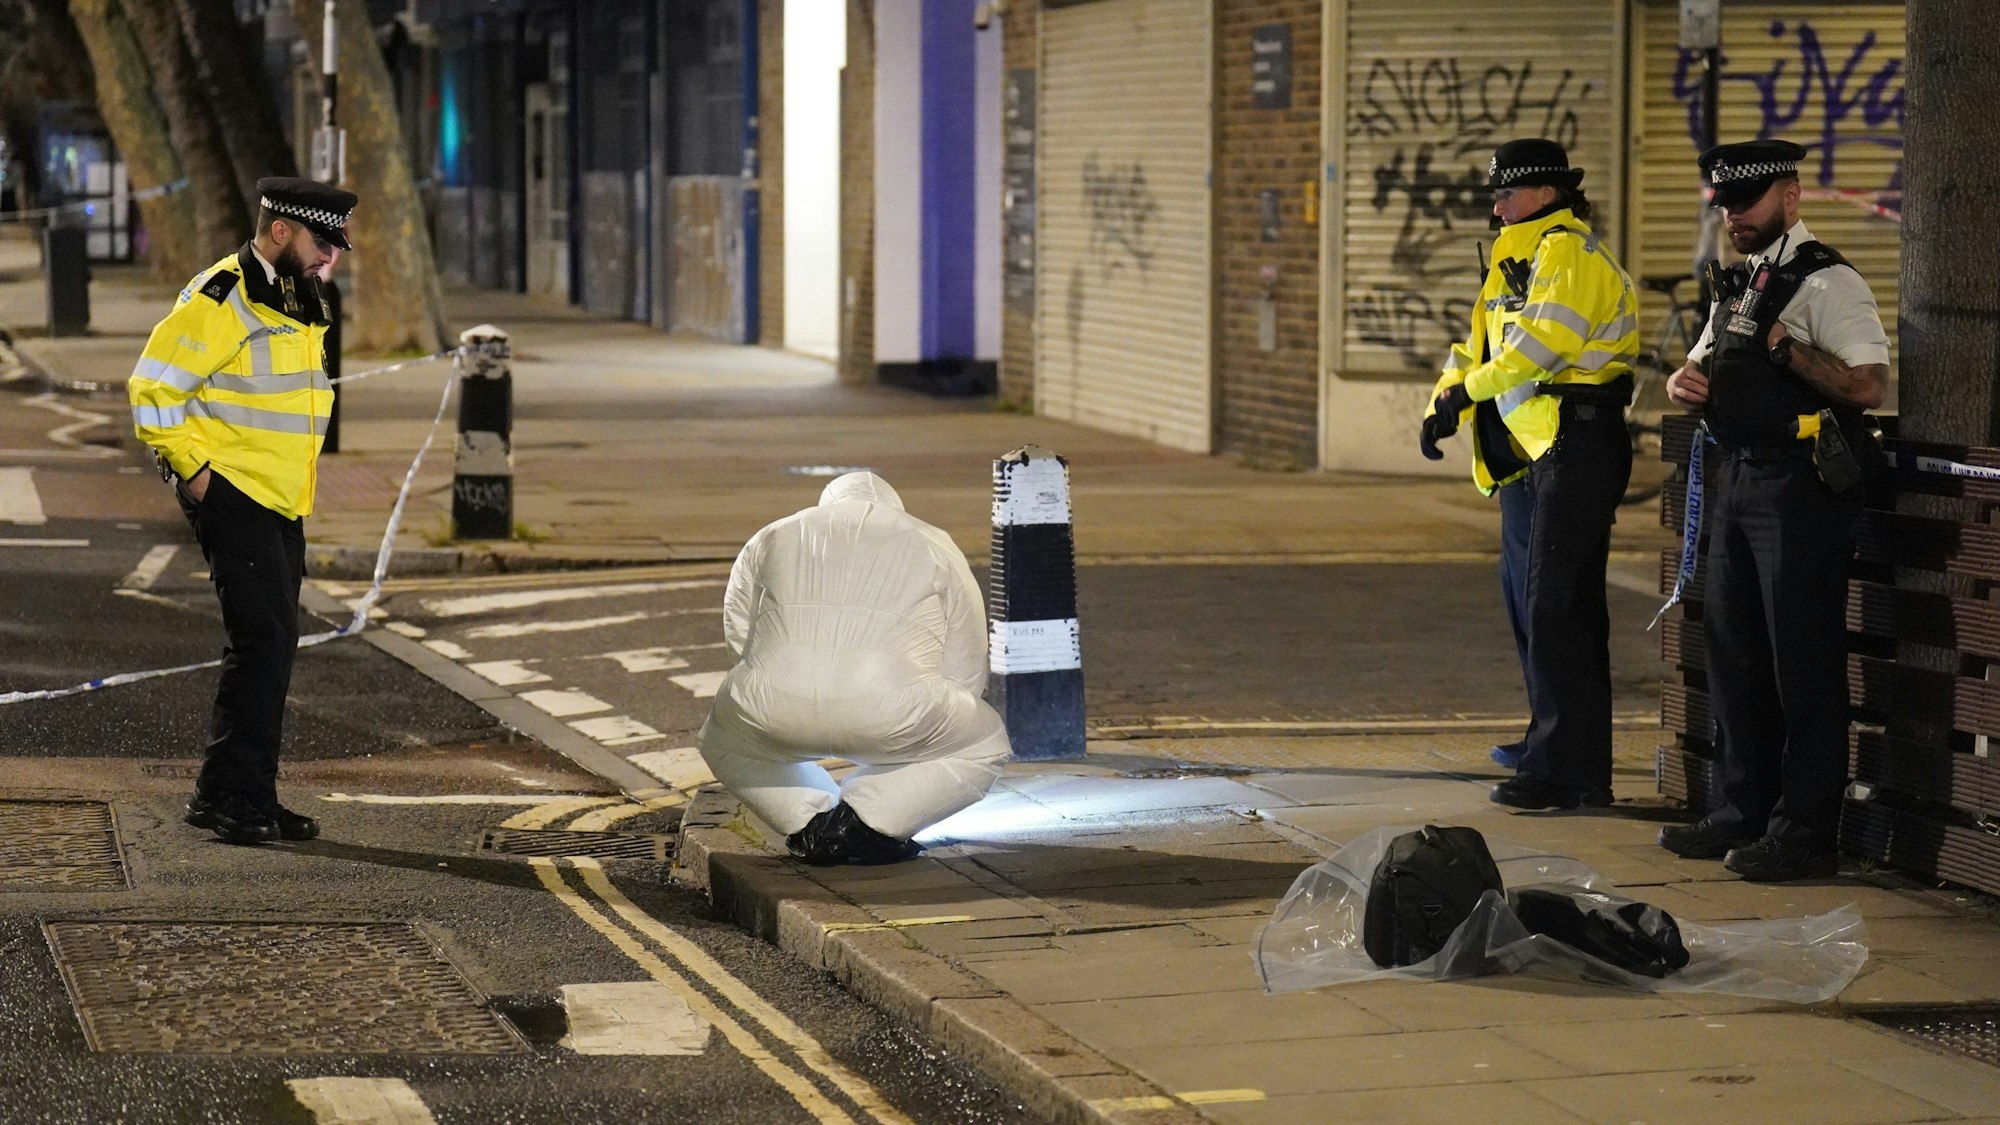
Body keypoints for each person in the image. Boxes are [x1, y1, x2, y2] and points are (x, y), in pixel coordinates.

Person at [1659, 139, 1889, 882]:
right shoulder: (1738, 283)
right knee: (1734, 654)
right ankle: (1738, 811)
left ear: (1791, 198)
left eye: (1747, 203)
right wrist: (1684, 383)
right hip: (1737, 478)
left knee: (1802, 662)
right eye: (1725, 205)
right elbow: (1698, 362)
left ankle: (1803, 829)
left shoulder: (1830, 282)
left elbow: (1866, 386)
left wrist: (1790, 352)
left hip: (1801, 486)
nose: (1734, 217)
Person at [128, 176, 354, 845]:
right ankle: (232, 796)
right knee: (262, 642)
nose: (330, 258)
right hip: (237, 494)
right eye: (321, 242)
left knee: (273, 646)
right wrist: (198, 476)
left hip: (282, 497)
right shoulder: (222, 294)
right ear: (280, 231)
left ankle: (243, 789)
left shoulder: (290, 292)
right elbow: (153, 387)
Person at [1420, 138, 1641, 811]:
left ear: (1546, 191)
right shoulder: (1516, 253)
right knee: (1530, 605)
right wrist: (1442, 399)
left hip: (1574, 445)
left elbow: (1539, 348)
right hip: (1529, 454)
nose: (1496, 204)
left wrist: (1468, 394)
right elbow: (1477, 345)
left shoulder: (1566, 253)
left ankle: (1569, 770)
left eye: (1506, 192)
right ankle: (1550, 740)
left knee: (1559, 609)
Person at [698, 472, 1011, 864]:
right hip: (894, 706)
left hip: (776, 700)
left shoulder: (773, 534)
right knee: (985, 744)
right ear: (893, 506)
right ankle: (866, 823)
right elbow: (966, 646)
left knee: (721, 740)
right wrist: (943, 709)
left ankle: (809, 823)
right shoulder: (931, 540)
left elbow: (740, 631)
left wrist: (761, 683)